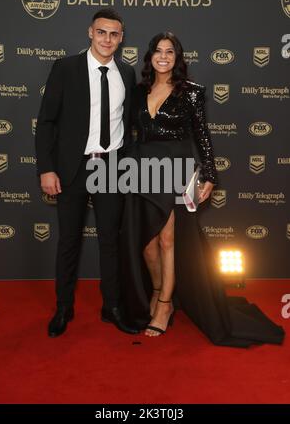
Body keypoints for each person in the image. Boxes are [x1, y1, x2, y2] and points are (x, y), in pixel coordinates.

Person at [120, 32, 285, 347]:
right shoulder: (138, 91)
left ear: (178, 57)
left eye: (170, 51)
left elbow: (202, 135)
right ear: (149, 57)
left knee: (168, 238)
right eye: (158, 51)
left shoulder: (191, 93)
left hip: (175, 167)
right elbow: (129, 133)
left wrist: (209, 173)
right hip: (142, 169)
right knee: (147, 242)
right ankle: (157, 290)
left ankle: (165, 305)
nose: (164, 56)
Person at [35, 8, 139, 337]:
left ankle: (113, 307)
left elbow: (131, 123)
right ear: (90, 33)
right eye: (101, 32)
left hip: (110, 165)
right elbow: (47, 123)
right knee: (69, 241)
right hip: (72, 168)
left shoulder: (127, 72)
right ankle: (63, 308)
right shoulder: (66, 68)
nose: (107, 39)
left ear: (121, 38)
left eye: (114, 34)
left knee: (111, 242)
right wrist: (47, 169)